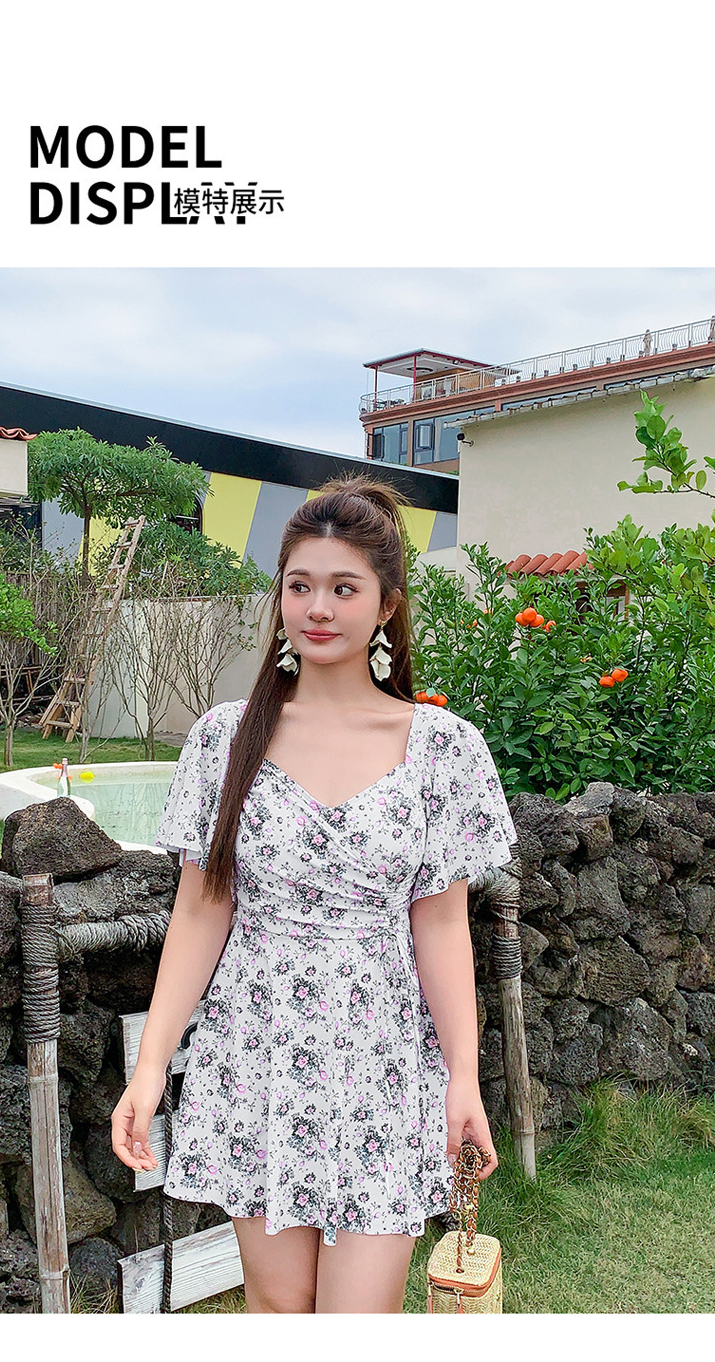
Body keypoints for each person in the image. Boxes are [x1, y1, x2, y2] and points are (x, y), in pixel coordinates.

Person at [111, 471, 517, 1313]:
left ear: (387, 604)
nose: (318, 607)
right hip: (255, 1051)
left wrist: (464, 1079)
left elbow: (443, 929)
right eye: (300, 585)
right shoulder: (225, 738)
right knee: (278, 1309)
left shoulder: (443, 748)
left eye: (343, 587)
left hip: (382, 1059)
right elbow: (202, 909)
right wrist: (151, 1066)